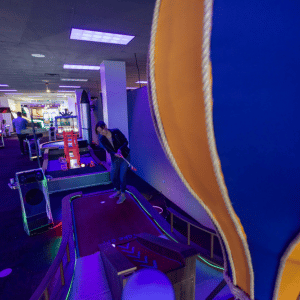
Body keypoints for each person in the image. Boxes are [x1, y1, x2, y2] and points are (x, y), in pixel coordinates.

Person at [95, 121, 130, 204]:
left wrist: (120, 149)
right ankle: (118, 191)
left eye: (102, 130)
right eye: (99, 132)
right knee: (113, 177)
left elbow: (125, 142)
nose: (101, 133)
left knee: (122, 177)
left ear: (105, 126)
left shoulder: (116, 132)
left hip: (125, 156)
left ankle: (123, 195)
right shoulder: (102, 139)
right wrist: (115, 153)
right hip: (115, 158)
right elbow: (109, 150)